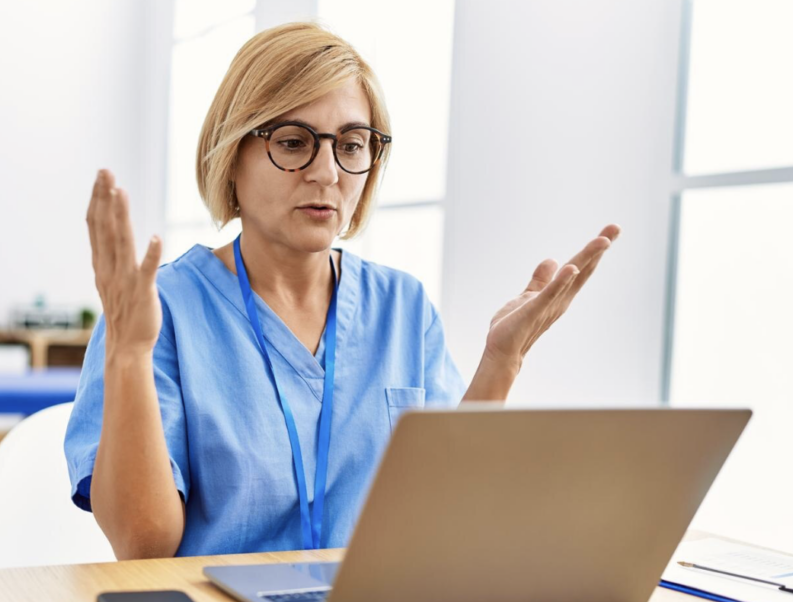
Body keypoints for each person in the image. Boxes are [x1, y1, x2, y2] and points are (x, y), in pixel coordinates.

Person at [65, 22, 619, 560]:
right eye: (293, 142)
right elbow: (143, 545)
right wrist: (131, 355)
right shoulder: (158, 311)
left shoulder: (402, 308)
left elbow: (442, 518)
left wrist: (503, 361)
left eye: (351, 145)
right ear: (231, 156)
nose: (328, 172)